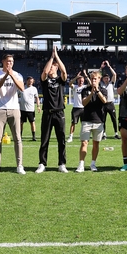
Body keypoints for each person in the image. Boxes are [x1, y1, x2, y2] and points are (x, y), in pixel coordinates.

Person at [0, 53, 25, 174]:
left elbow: (21, 88)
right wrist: (6, 76)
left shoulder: (18, 75)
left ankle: (19, 165)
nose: (10, 63)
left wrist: (12, 76)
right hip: (0, 109)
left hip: (14, 109)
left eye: (12, 61)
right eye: (8, 61)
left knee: (17, 138)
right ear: (3, 62)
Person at [36, 44, 68, 173]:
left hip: (59, 113)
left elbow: (64, 72)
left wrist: (57, 57)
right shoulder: (45, 81)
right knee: (45, 139)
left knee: (61, 140)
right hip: (47, 113)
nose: (51, 69)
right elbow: (44, 72)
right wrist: (51, 58)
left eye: (53, 67)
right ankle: (42, 163)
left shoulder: (60, 80)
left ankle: (62, 164)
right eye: (50, 66)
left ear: (56, 68)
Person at [76, 71, 111, 172]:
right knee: (84, 143)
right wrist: (91, 93)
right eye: (92, 79)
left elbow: (104, 101)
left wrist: (97, 91)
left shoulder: (103, 90)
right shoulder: (85, 90)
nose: (93, 81)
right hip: (86, 120)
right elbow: (83, 103)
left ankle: (93, 164)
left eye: (95, 79)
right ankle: (81, 164)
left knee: (96, 144)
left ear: (99, 80)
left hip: (99, 121)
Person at [99, 61, 120, 138]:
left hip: (110, 104)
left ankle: (116, 133)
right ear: (103, 79)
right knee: (103, 119)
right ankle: (104, 134)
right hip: (103, 104)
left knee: (114, 119)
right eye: (105, 78)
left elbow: (114, 74)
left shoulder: (111, 83)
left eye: (107, 78)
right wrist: (101, 68)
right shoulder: (101, 84)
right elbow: (97, 75)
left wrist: (109, 66)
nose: (106, 79)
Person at [19, 76, 40, 142]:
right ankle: (20, 136)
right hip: (22, 109)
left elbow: (37, 98)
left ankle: (33, 137)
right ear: (26, 81)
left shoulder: (34, 89)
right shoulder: (22, 87)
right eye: (29, 81)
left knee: (32, 122)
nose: (30, 83)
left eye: (32, 82)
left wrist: (38, 106)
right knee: (21, 123)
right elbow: (16, 95)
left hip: (31, 109)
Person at [67, 73, 86, 143]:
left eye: (82, 80)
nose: (81, 82)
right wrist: (76, 77)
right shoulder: (75, 87)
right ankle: (71, 136)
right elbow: (70, 83)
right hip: (75, 108)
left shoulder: (85, 87)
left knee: (84, 123)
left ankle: (84, 136)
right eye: (80, 80)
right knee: (73, 123)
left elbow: (91, 84)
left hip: (83, 108)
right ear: (77, 80)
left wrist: (86, 76)